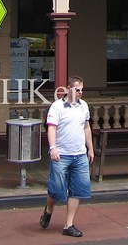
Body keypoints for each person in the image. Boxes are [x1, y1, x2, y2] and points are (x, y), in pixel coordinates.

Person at [39, 76, 94, 238]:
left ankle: (68, 224)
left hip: (79, 154)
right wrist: (53, 148)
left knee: (78, 189)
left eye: (82, 90)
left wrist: (90, 148)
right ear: (69, 89)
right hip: (62, 154)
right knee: (57, 189)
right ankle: (49, 209)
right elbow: (51, 128)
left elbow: (86, 127)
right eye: (77, 89)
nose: (80, 93)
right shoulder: (57, 107)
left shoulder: (83, 106)